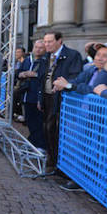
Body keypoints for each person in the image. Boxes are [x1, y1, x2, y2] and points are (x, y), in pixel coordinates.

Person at [40, 31, 82, 174]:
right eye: (45, 42)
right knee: (47, 129)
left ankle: (58, 163)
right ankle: (51, 158)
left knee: (56, 130)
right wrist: (41, 99)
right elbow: (42, 79)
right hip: (47, 98)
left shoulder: (72, 55)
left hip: (62, 99)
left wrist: (64, 84)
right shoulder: (46, 56)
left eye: (50, 41)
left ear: (60, 41)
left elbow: (76, 77)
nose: (47, 45)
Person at [16, 40, 47, 150]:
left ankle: (40, 145)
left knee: (38, 122)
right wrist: (22, 74)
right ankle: (33, 141)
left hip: (37, 96)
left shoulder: (45, 61)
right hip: (26, 95)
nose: (38, 49)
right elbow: (18, 72)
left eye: (41, 48)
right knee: (29, 120)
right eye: (36, 47)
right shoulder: (27, 60)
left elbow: (45, 78)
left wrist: (35, 74)